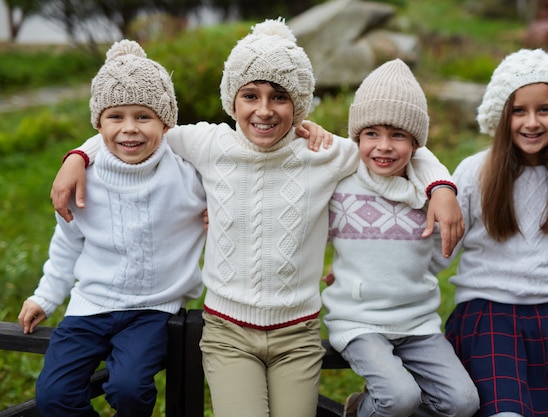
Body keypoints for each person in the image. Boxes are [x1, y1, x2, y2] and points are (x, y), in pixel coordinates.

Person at [50, 19, 463, 417]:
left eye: (279, 97)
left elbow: (401, 143)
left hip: (296, 335)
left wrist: (440, 187)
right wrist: (79, 155)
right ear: (233, 99)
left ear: (298, 104)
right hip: (228, 333)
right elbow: (134, 127)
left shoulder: (326, 154)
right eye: (250, 95)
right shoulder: (208, 143)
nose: (264, 111)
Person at [17, 40, 207, 417]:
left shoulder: (188, 174)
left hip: (153, 308)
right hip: (90, 304)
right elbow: (67, 243)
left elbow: (237, 168)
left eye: (143, 116)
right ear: (98, 123)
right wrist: (45, 296)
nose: (129, 129)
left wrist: (221, 210)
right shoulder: (81, 179)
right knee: (53, 396)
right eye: (115, 117)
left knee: (130, 389)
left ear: (166, 122)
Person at [431, 48, 548, 416]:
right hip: (485, 315)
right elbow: (436, 252)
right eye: (519, 111)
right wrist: (374, 268)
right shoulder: (474, 172)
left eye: (544, 109)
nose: (532, 122)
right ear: (502, 116)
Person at [321, 59, 479, 417]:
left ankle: (367, 408)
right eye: (371, 133)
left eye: (398, 135)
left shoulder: (430, 190)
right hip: (358, 319)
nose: (384, 146)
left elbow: (442, 253)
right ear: (357, 137)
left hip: (417, 321)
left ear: (415, 143)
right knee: (400, 398)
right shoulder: (341, 184)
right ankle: (363, 409)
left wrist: (407, 273)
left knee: (463, 403)